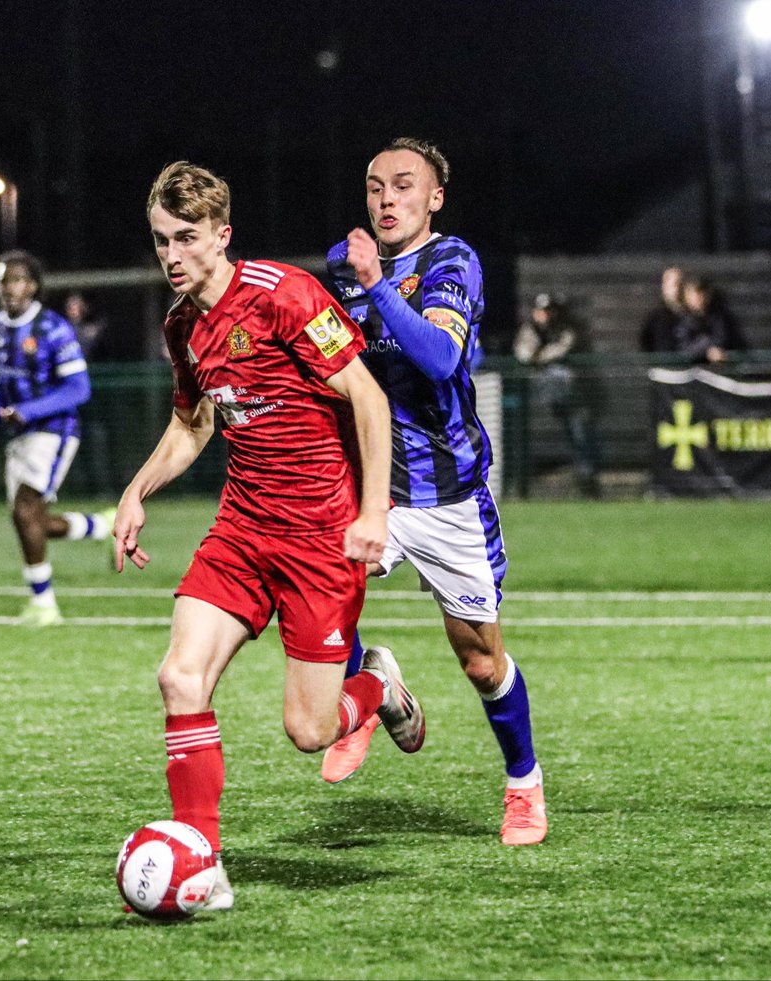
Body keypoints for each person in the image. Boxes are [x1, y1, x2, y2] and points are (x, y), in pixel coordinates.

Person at [113, 161, 420, 911]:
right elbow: (193, 423)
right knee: (179, 677)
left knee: (309, 731)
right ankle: (202, 863)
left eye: (187, 238)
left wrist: (373, 511)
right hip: (243, 528)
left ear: (222, 234)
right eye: (161, 240)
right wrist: (137, 488)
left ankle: (375, 681)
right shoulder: (182, 325)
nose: (173, 255)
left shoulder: (286, 295)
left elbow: (368, 397)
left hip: (320, 538)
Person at [323, 137, 547, 846]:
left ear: (434, 197)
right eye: (374, 186)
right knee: (318, 609)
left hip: (448, 492)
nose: (387, 199)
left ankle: (523, 783)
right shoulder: (344, 268)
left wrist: (377, 284)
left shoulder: (453, 261)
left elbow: (441, 357)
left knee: (480, 660)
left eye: (403, 186)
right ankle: (372, 689)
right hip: (372, 491)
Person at [0, 250, 114, 626]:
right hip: (21, 432)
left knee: (25, 511)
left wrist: (28, 412)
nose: (9, 288)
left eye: (17, 280)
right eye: (3, 280)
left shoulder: (53, 329)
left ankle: (45, 605)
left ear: (32, 286)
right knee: (28, 519)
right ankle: (101, 527)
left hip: (55, 431)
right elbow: (4, 383)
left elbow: (79, 389)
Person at [514, 291, 602, 497]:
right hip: (543, 395)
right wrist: (540, 357)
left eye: (548, 311)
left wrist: (540, 357)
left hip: (575, 397)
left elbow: (563, 348)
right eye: (541, 311)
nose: (545, 315)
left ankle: (587, 482)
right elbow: (523, 352)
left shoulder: (565, 328)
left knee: (580, 435)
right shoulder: (531, 329)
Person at [640, 266, 685, 354]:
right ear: (664, 287)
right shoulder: (655, 316)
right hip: (663, 365)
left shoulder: (692, 314)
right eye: (673, 285)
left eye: (680, 284)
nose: (677, 289)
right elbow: (645, 342)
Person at [64, 291, 110, 361]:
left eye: (75, 308)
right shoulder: (61, 328)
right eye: (69, 308)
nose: (72, 311)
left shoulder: (91, 330)